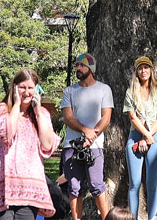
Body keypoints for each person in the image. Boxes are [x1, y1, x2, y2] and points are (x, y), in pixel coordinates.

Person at [0, 68, 60, 220]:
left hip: (29, 186)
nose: (27, 92)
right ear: (14, 87)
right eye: (22, 87)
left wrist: (37, 113)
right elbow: (6, 134)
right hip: (2, 181)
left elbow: (48, 145)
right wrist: (16, 105)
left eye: (31, 88)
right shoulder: (3, 109)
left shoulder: (41, 114)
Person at [61, 52, 113, 220]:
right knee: (74, 187)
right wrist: (85, 131)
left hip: (95, 146)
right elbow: (68, 118)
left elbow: (106, 117)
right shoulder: (69, 91)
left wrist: (92, 135)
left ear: (91, 68)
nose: (78, 68)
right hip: (71, 145)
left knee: (97, 185)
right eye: (77, 65)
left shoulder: (104, 89)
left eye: (82, 65)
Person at [124, 56, 157, 220]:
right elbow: (132, 117)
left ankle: (152, 218)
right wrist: (145, 136)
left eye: (146, 67)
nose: (144, 71)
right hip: (136, 137)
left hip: (154, 138)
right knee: (134, 184)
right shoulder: (131, 91)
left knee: (152, 184)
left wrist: (149, 136)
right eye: (140, 68)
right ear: (137, 71)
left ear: (151, 70)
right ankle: (133, 218)